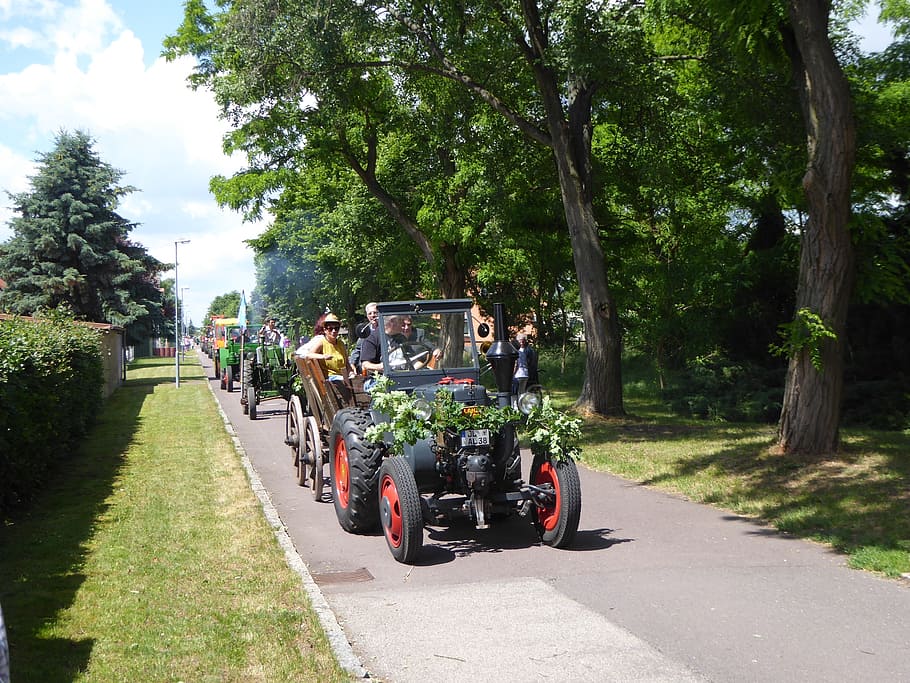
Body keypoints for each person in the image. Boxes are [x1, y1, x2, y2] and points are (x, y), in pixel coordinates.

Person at [299, 313, 355, 379]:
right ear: (325, 330)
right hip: (330, 378)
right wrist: (323, 356)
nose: (334, 331)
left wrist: (351, 373)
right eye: (330, 329)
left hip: (342, 377)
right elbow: (309, 355)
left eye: (336, 328)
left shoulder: (341, 343)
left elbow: (347, 364)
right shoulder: (322, 342)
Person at [350, 301, 379, 373]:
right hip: (367, 369)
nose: (373, 315)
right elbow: (358, 349)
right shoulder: (365, 331)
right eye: (370, 313)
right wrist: (352, 363)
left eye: (375, 312)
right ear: (367, 316)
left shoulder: (387, 329)